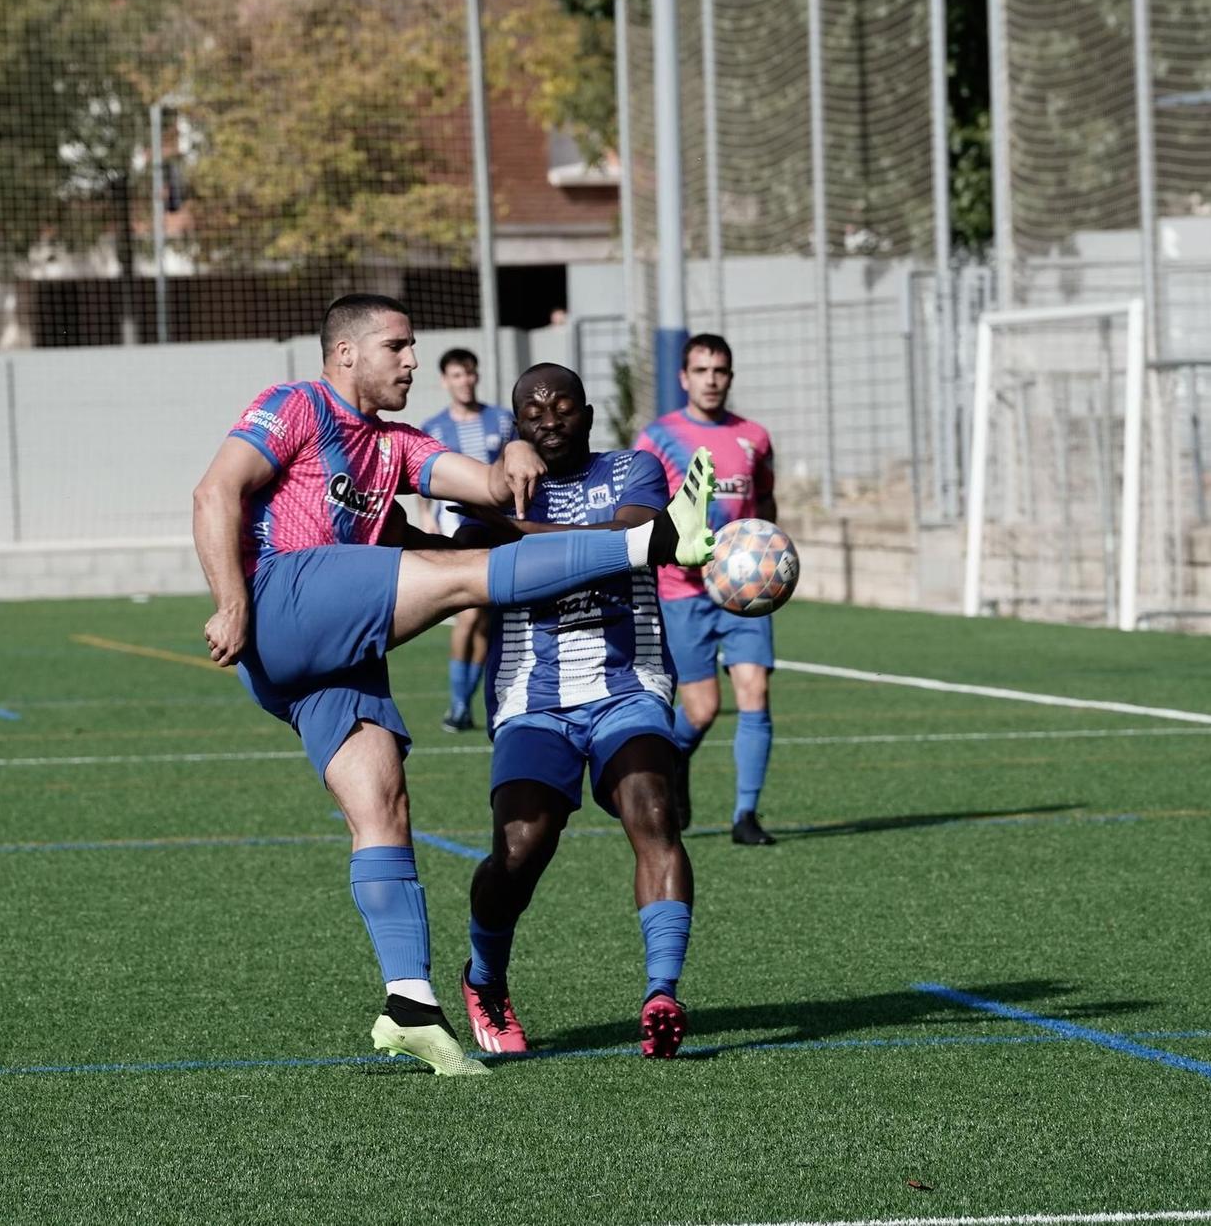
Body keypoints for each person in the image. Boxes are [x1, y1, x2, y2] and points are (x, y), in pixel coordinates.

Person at [191, 294, 719, 1077]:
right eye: (398, 346)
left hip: (333, 660)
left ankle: (410, 1002)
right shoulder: (294, 404)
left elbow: (487, 487)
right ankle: (659, 540)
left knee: (383, 804)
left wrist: (509, 455)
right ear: (346, 355)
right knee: (464, 574)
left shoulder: (400, 446)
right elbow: (214, 492)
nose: (413, 361)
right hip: (283, 596)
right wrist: (231, 599)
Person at [451, 364, 696, 1060]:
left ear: (588, 414)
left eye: (562, 407)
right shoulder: (490, 489)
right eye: (532, 411)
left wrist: (522, 531)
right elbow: (471, 545)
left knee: (653, 810)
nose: (549, 419)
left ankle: (662, 992)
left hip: (630, 684)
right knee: (521, 846)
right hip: (533, 696)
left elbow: (641, 533)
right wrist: (509, 508)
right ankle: (485, 978)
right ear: (516, 423)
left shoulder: (633, 467)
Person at [635, 333, 779, 845]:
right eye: (701, 370)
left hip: (745, 591)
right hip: (682, 590)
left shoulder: (754, 437)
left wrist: (768, 558)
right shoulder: (657, 439)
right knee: (701, 709)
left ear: (730, 377)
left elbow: (765, 504)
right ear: (684, 378)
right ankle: (674, 763)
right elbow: (638, 512)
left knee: (755, 693)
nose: (711, 380)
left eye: (719, 371)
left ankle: (746, 816)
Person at [418, 348, 514, 733]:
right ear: (445, 380)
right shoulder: (434, 428)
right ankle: (459, 705)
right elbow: (422, 482)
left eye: (469, 374)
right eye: (457, 375)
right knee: (470, 612)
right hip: (459, 526)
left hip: (500, 528)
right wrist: (427, 521)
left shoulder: (502, 421)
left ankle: (468, 706)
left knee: (488, 620)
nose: (465, 381)